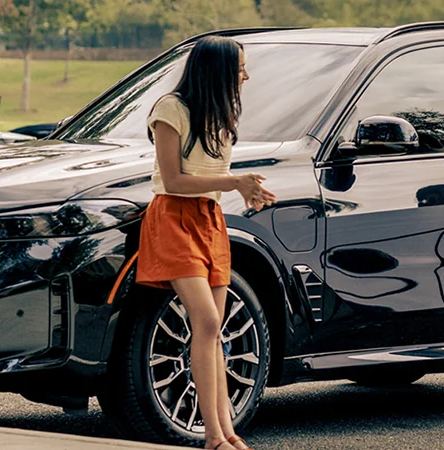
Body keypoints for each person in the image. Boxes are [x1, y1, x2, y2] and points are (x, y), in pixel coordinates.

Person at [137, 36, 275, 450]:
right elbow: (175, 179)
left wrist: (247, 192)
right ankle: (213, 436)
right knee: (208, 322)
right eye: (238, 71)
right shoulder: (170, 110)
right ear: (215, 71)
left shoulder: (219, 115)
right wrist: (235, 182)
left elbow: (209, 181)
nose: (246, 77)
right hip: (174, 218)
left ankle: (227, 432)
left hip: (209, 220)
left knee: (214, 331)